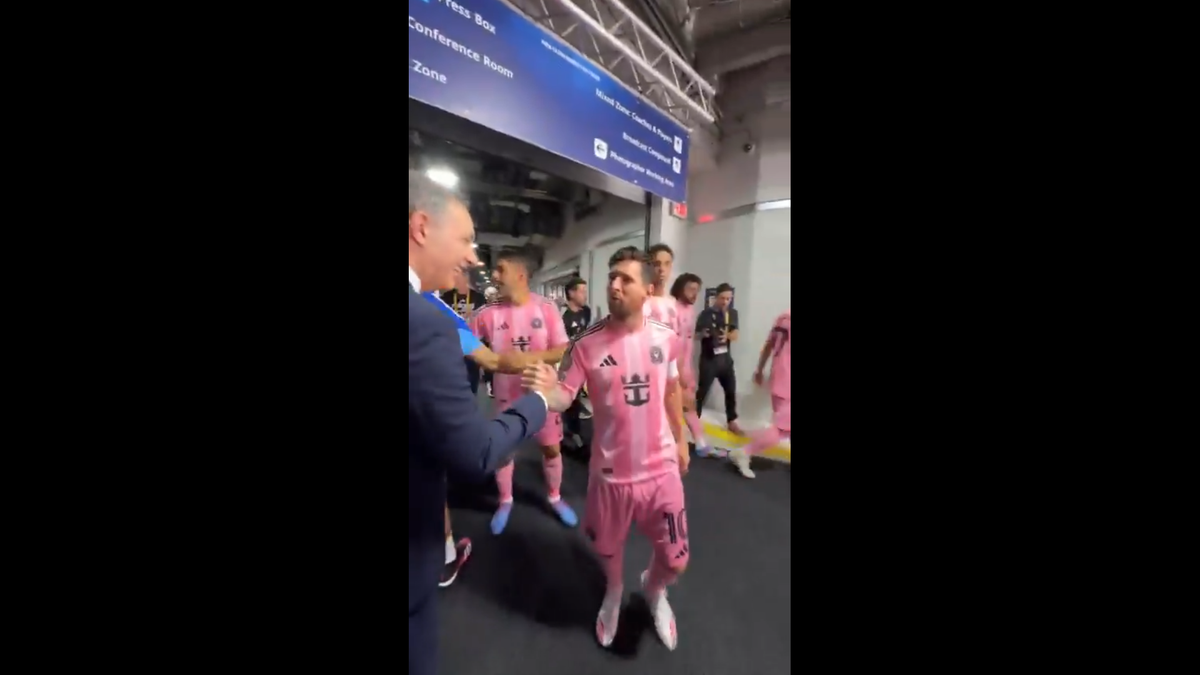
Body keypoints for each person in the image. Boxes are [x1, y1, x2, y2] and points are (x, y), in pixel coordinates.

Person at [408, 170, 560, 675]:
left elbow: (492, 360)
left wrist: (554, 356)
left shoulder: (442, 315)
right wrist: (541, 400)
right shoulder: (430, 320)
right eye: (467, 240)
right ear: (421, 228)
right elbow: (474, 451)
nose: (475, 258)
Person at [525, 245, 689, 651]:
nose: (614, 285)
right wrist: (547, 392)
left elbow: (671, 390)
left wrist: (682, 438)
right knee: (607, 549)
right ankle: (613, 593)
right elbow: (564, 396)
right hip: (611, 475)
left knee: (676, 558)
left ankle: (653, 590)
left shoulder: (666, 337)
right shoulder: (585, 343)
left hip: (661, 470)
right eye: (611, 277)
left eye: (625, 279)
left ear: (647, 289)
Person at [470, 250, 578, 534]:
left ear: (520, 275)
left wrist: (527, 360)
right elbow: (466, 340)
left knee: (551, 448)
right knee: (504, 452)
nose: (494, 276)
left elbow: (563, 350)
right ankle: (505, 500)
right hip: (506, 396)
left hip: (542, 395)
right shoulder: (488, 313)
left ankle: (554, 497)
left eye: (500, 270)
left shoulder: (546, 308)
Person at [730, 310, 792, 478]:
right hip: (787, 383)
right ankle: (744, 452)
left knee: (785, 427)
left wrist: (760, 369)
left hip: (779, 378)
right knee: (781, 430)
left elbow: (769, 345)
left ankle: (744, 452)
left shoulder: (783, 317)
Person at [667, 272, 722, 457]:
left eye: (696, 290)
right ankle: (683, 445)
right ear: (680, 288)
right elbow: (672, 344)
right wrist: (678, 371)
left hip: (686, 367)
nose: (694, 294)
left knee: (689, 406)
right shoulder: (671, 310)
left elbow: (688, 341)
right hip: (673, 369)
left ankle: (700, 444)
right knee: (676, 408)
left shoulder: (690, 311)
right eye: (690, 289)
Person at [694, 283, 743, 435]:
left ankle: (731, 421)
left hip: (725, 360)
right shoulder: (705, 314)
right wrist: (704, 334)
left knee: (731, 391)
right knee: (702, 392)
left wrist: (726, 335)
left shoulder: (732, 313)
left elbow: (736, 335)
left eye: (728, 299)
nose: (725, 301)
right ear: (716, 297)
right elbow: (695, 335)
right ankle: (694, 420)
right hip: (709, 360)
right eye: (722, 298)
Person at [560, 278, 593, 452]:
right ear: (571, 293)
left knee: (581, 395)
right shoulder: (563, 317)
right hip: (568, 363)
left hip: (584, 360)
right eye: (581, 291)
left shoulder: (586, 312)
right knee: (569, 399)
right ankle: (571, 434)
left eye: (585, 291)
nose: (585, 295)